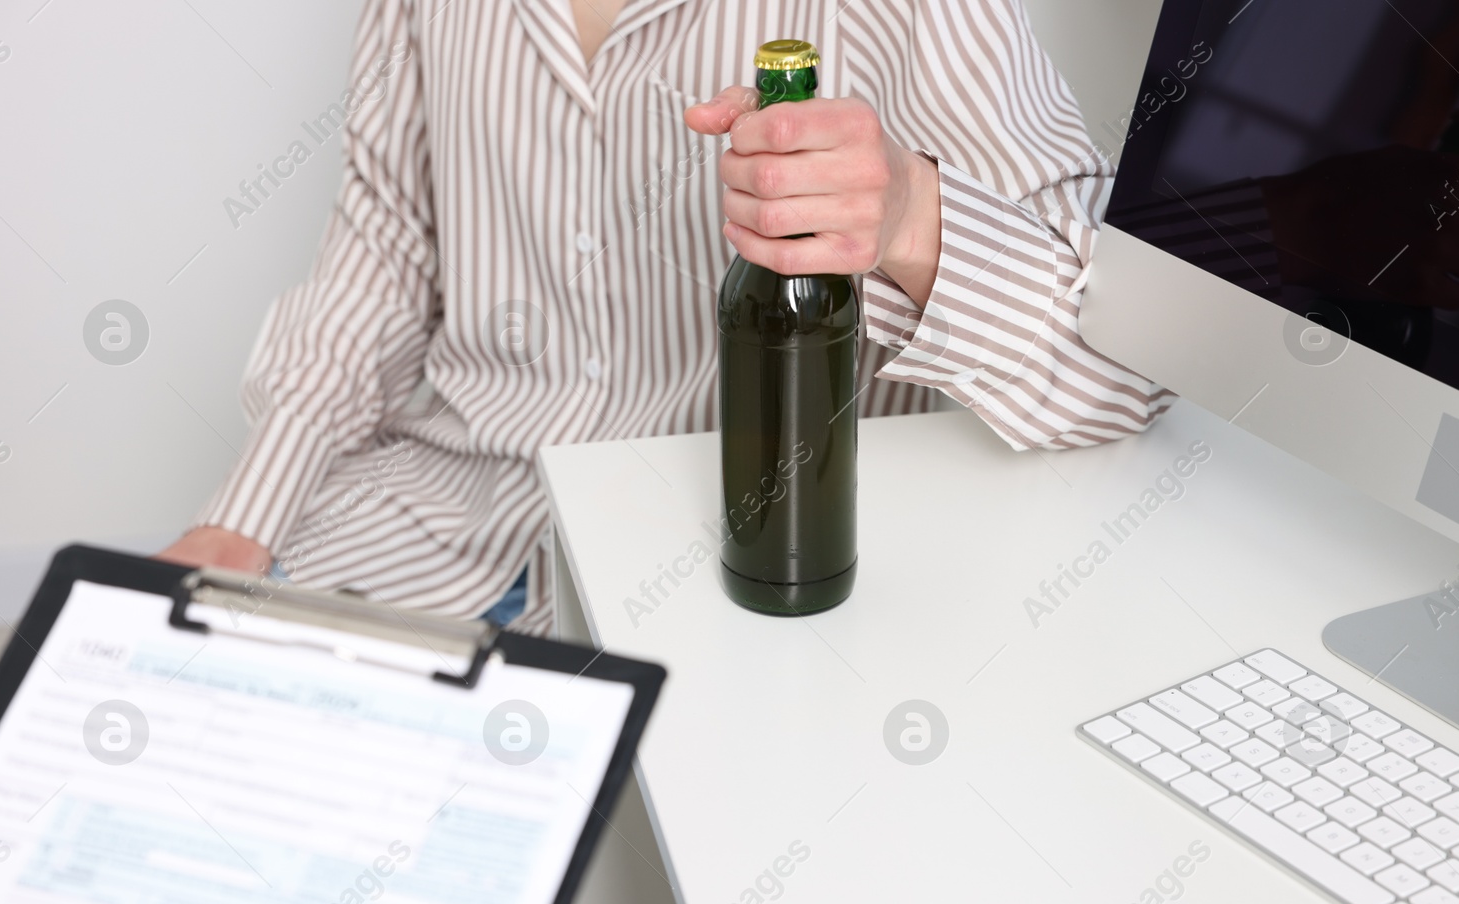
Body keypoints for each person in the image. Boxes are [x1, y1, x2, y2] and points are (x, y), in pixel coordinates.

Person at [158, 0, 1170, 630]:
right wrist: (243, 515)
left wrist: (910, 214)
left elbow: (1123, 364)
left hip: (766, 577)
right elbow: (381, 250)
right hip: (431, 530)